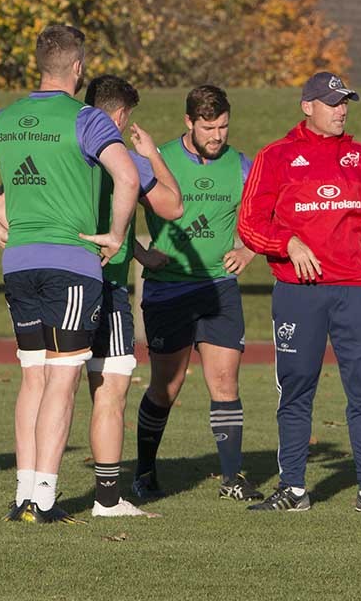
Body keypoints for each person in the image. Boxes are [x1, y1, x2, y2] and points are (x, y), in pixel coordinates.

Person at [0, 25, 139, 524]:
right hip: (71, 265)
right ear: (78, 68)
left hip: (19, 264)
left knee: (32, 376)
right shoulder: (88, 119)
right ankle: (44, 499)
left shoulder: (5, 119)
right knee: (62, 379)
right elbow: (127, 175)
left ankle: (23, 493)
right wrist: (116, 235)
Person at [0, 75, 184, 517]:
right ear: (119, 115)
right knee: (109, 390)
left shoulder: (56, 150)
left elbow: (1, 207)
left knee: (38, 380)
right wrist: (152, 153)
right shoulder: (124, 157)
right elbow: (173, 206)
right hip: (104, 286)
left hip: (45, 273)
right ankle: (106, 499)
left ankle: (27, 489)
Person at [237, 71, 361, 513]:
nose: (341, 110)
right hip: (298, 294)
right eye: (332, 102)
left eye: (345, 102)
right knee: (296, 390)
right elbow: (249, 224)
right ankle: (293, 489)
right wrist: (287, 243)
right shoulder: (276, 156)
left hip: (354, 292)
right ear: (307, 106)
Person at [131, 85, 263, 503]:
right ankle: (145, 472)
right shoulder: (157, 159)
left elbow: (267, 216)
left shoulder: (241, 165)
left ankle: (232, 478)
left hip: (219, 288)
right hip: (168, 290)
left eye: (223, 126)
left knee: (225, 382)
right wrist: (140, 254)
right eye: (208, 128)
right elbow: (108, 208)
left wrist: (249, 249)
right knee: (166, 388)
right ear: (188, 122)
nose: (217, 136)